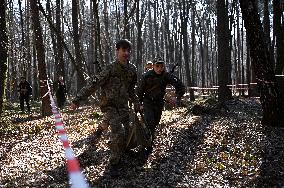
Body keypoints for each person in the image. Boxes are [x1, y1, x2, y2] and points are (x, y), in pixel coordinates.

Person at [70, 39, 140, 177]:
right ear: (117, 51)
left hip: (123, 106)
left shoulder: (132, 69)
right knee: (118, 132)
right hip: (109, 106)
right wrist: (78, 99)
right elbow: (93, 84)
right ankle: (114, 163)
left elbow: (131, 89)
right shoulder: (109, 69)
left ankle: (122, 151)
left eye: (128, 50)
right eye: (123, 50)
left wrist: (136, 102)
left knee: (128, 131)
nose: (126, 53)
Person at [136, 57, 185, 155]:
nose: (159, 68)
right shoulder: (146, 76)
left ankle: (148, 141)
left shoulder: (166, 75)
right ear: (153, 66)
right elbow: (139, 91)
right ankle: (148, 146)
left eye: (161, 66)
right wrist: (139, 104)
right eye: (157, 66)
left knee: (155, 122)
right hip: (148, 102)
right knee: (150, 123)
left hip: (159, 103)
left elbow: (180, 85)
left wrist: (176, 97)